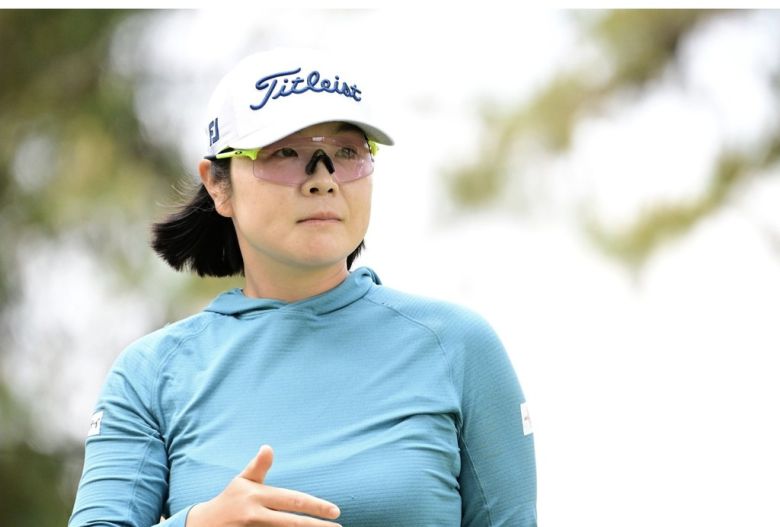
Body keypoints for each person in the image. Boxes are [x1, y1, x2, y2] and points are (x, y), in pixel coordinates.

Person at [69, 48, 537, 527]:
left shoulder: (457, 347)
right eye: (284, 153)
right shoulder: (151, 374)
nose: (322, 180)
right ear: (218, 186)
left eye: (347, 153)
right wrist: (200, 524)